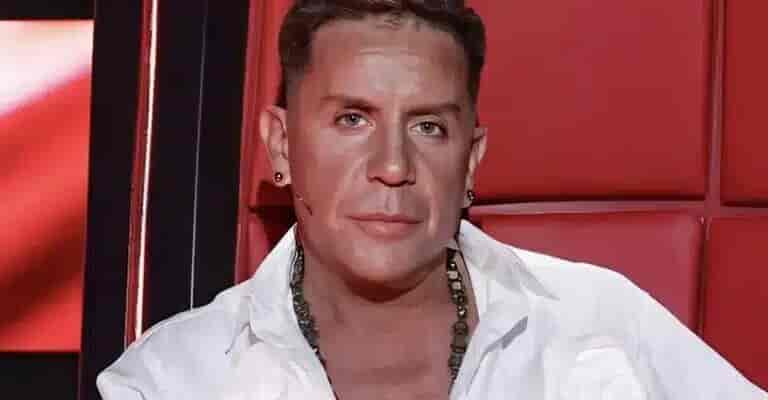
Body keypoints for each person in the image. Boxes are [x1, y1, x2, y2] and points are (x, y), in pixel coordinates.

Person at [97, 1, 767, 399]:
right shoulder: (172, 380)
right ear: (281, 146)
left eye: (428, 127)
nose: (393, 167)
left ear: (469, 159)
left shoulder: (601, 323)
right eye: (351, 119)